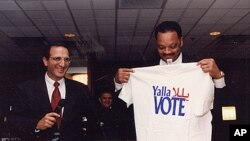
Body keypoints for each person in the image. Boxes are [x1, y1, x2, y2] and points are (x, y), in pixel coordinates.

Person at [114, 21, 226, 141]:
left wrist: (218, 76)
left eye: (173, 46)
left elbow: (220, 108)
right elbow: (121, 112)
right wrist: (118, 82)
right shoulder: (144, 72)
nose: (167, 52)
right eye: (161, 47)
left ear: (181, 41)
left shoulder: (199, 69)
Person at [8, 42, 95, 141]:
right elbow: (13, 120)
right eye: (57, 58)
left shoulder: (80, 90)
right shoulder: (25, 89)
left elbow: (94, 120)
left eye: (66, 59)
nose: (62, 64)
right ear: (45, 61)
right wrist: (37, 124)